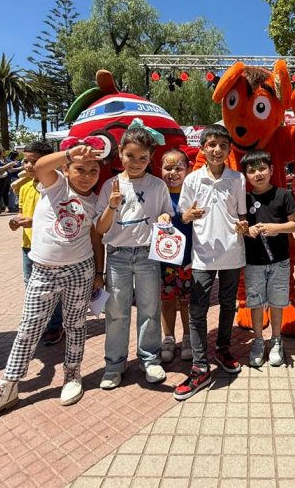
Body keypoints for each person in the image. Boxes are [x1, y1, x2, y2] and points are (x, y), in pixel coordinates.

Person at [0, 140, 105, 428]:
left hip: (80, 269)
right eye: (80, 168)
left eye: (94, 170)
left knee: (75, 325)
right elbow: (41, 166)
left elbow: (96, 237)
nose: (88, 174)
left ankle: (72, 374)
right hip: (43, 270)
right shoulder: (56, 186)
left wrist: (98, 272)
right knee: (29, 328)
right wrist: (70, 152)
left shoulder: (95, 200)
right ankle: (8, 388)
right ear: (66, 170)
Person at [95, 119, 174, 390]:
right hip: (116, 256)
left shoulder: (157, 185)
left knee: (150, 309)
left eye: (143, 157)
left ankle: (149, 359)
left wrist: (165, 218)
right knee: (116, 311)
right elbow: (100, 227)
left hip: (147, 255)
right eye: (130, 156)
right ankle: (114, 365)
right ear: (120, 153)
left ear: (151, 157)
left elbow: (167, 216)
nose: (136, 161)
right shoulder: (110, 186)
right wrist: (112, 207)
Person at [174, 124, 248, 400]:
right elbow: (183, 215)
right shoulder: (193, 180)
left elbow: (242, 215)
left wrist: (242, 225)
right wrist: (190, 215)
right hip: (202, 256)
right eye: (212, 144)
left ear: (229, 150)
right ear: (203, 148)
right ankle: (199, 365)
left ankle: (223, 348)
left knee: (229, 303)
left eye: (222, 145)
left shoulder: (237, 179)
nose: (217, 149)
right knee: (197, 309)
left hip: (232, 252)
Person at [241, 150, 295, 368]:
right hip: (253, 261)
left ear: (272, 170)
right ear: (246, 175)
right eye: (251, 170)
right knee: (255, 302)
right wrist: (246, 231)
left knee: (277, 302)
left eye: (262, 168)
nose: (257, 174)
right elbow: (240, 226)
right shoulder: (244, 198)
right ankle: (258, 341)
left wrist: (276, 228)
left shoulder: (283, 194)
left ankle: (276, 340)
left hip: (280, 261)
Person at [9, 141, 65, 346]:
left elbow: (64, 217)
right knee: (31, 286)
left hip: (50, 247)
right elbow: (21, 211)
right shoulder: (23, 186)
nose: (28, 166)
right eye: (26, 161)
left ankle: (55, 325)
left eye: (35, 162)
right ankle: (40, 324)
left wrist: (34, 221)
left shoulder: (58, 185)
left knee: (53, 288)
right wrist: (16, 220)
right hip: (28, 245)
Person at [158, 148, 194, 363]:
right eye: (167, 167)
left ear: (187, 169)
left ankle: (188, 337)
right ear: (160, 169)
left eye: (178, 168)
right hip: (164, 260)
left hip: (189, 259)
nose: (173, 172)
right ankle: (169, 338)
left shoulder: (192, 194)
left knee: (187, 302)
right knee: (167, 301)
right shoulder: (156, 193)